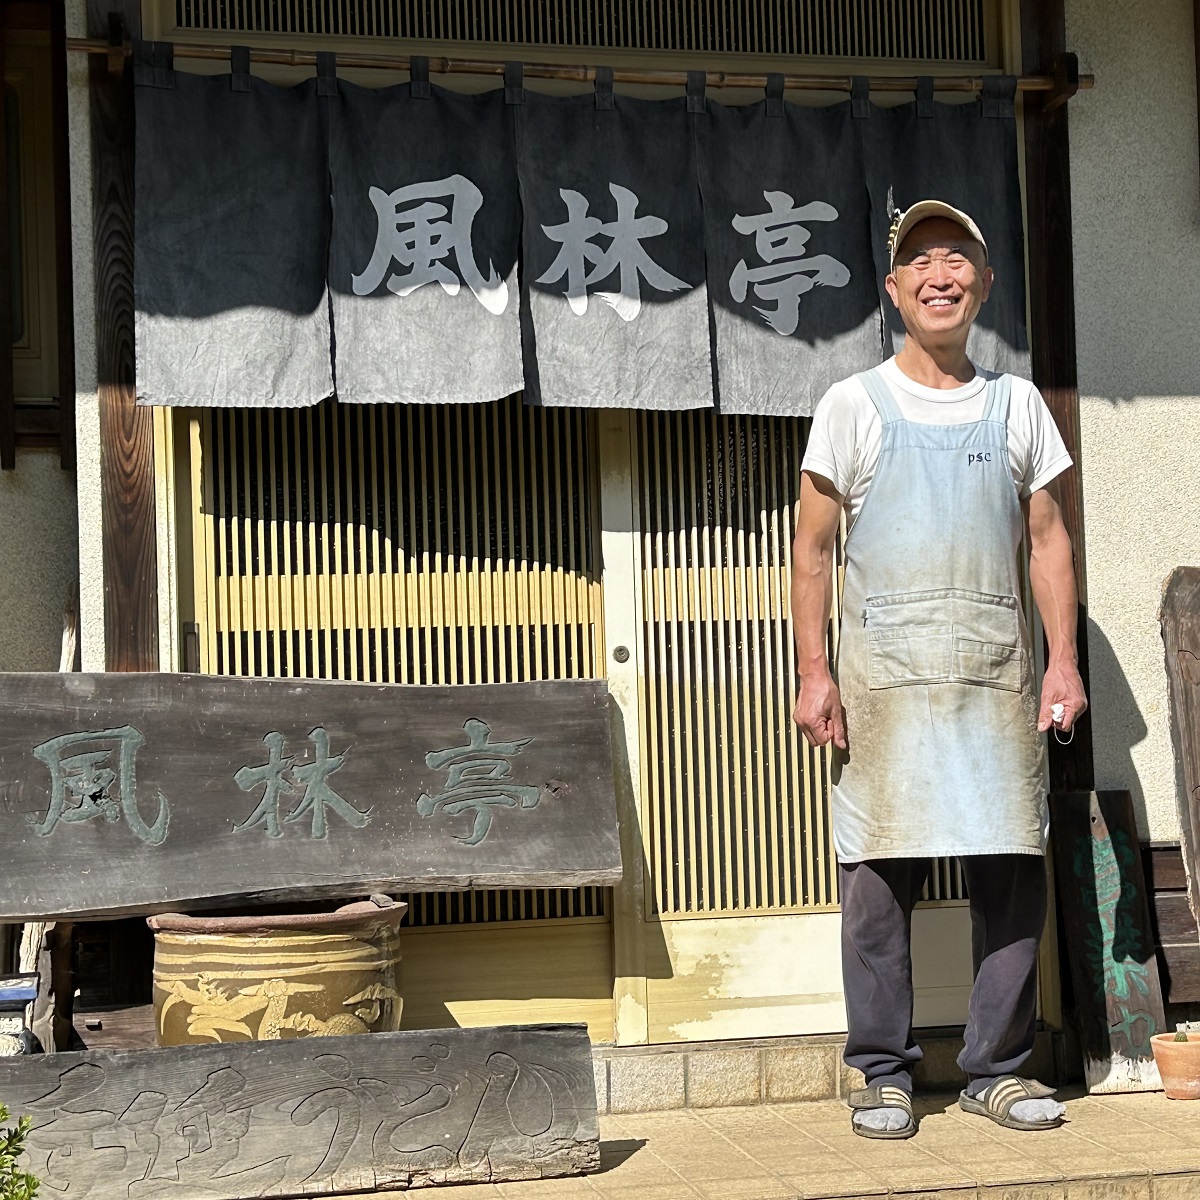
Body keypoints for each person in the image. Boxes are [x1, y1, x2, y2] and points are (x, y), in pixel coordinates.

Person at [790, 200, 1087, 1139]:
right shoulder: (852, 404)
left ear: (985, 287)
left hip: (996, 678)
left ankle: (995, 1067)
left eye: (958, 260)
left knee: (1010, 870)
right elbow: (811, 551)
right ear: (893, 291)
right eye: (920, 262)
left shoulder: (1017, 404)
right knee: (879, 879)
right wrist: (815, 669)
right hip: (886, 683)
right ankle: (881, 1069)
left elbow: (1048, 540)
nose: (940, 275)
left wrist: (1064, 663)